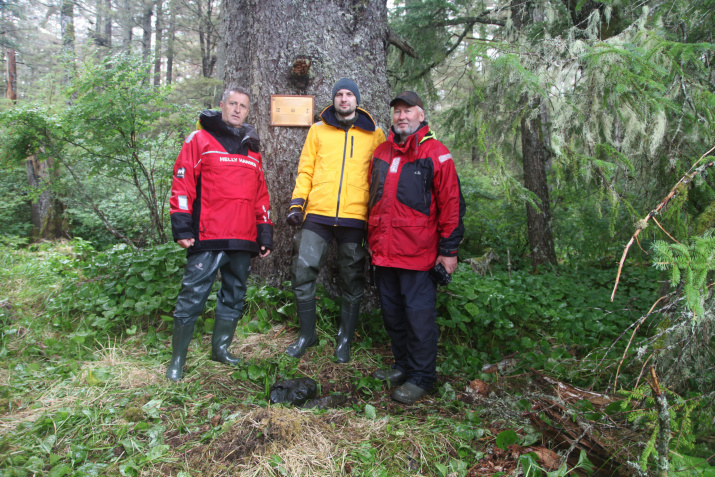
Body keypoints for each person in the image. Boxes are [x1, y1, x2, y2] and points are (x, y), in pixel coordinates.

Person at [166, 87, 273, 382]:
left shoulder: (252, 149)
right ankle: (177, 361)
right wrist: (181, 225)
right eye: (232, 104)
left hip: (243, 237)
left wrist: (264, 232)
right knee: (192, 297)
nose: (237, 110)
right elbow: (183, 181)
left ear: (247, 112)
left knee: (234, 295)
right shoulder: (200, 139)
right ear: (222, 105)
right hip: (207, 235)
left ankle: (220, 350)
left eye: (243, 106)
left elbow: (260, 194)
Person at [367, 91, 465, 404]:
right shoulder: (381, 152)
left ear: (421, 115)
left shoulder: (436, 153)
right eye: (397, 111)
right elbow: (375, 200)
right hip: (384, 252)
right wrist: (372, 241)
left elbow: (452, 204)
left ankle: (422, 376)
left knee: (418, 318)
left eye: (408, 111)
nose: (402, 116)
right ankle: (402, 365)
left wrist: (448, 251)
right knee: (392, 315)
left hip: (419, 255)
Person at [285, 78, 386, 363]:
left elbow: (381, 179)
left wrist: (376, 215)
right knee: (302, 270)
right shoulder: (318, 130)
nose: (344, 99)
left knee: (352, 277)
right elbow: (306, 169)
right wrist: (297, 203)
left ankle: (344, 340)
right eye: (339, 94)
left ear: (357, 99)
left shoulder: (374, 134)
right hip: (317, 213)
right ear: (334, 99)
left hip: (355, 216)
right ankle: (307, 335)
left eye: (349, 94)